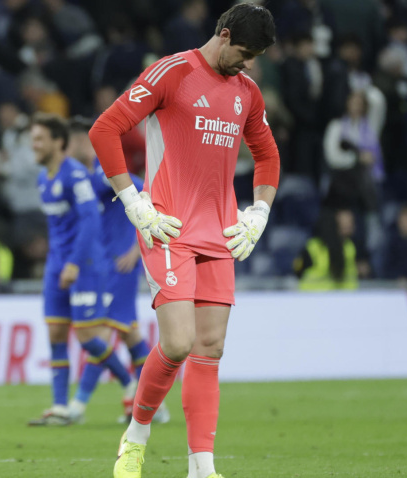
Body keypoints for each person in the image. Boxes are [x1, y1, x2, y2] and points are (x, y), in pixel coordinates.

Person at [89, 5, 280, 478]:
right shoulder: (172, 72)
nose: (249, 64)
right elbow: (104, 129)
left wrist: (259, 211)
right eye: (245, 52)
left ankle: (201, 467)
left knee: (209, 349)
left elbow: (267, 154)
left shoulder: (247, 93)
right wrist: (133, 201)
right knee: (177, 343)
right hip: (167, 225)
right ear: (225, 34)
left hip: (220, 232)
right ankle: (136, 436)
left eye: (256, 57)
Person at [27, 113, 134, 426]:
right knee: (56, 332)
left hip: (85, 263)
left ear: (58, 142)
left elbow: (90, 220)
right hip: (56, 264)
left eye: (39, 139)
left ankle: (130, 383)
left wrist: (74, 262)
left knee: (87, 336)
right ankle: (60, 407)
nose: (34, 145)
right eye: (33, 139)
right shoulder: (42, 178)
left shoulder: (75, 176)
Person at [66, 117, 164, 424]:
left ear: (86, 142)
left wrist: (136, 250)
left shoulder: (109, 175)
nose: (69, 149)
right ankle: (154, 406)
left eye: (73, 141)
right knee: (130, 334)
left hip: (119, 266)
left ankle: (78, 406)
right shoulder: (81, 179)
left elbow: (152, 199)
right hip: (100, 266)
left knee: (101, 333)